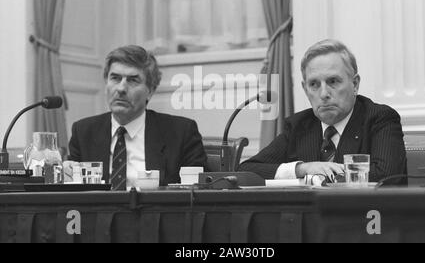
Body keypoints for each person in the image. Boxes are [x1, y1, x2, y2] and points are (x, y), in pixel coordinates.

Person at [238, 39, 407, 184]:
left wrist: (318, 178)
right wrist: (303, 168)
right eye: (314, 84)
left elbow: (387, 176)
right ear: (305, 89)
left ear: (354, 84)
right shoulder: (299, 125)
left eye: (333, 81)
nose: (324, 94)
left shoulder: (379, 118)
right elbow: (247, 171)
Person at [68, 45, 207, 189]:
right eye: (115, 78)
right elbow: (71, 192)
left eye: (133, 80)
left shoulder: (181, 133)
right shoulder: (83, 132)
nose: (121, 88)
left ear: (150, 90)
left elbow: (199, 192)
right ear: (106, 83)